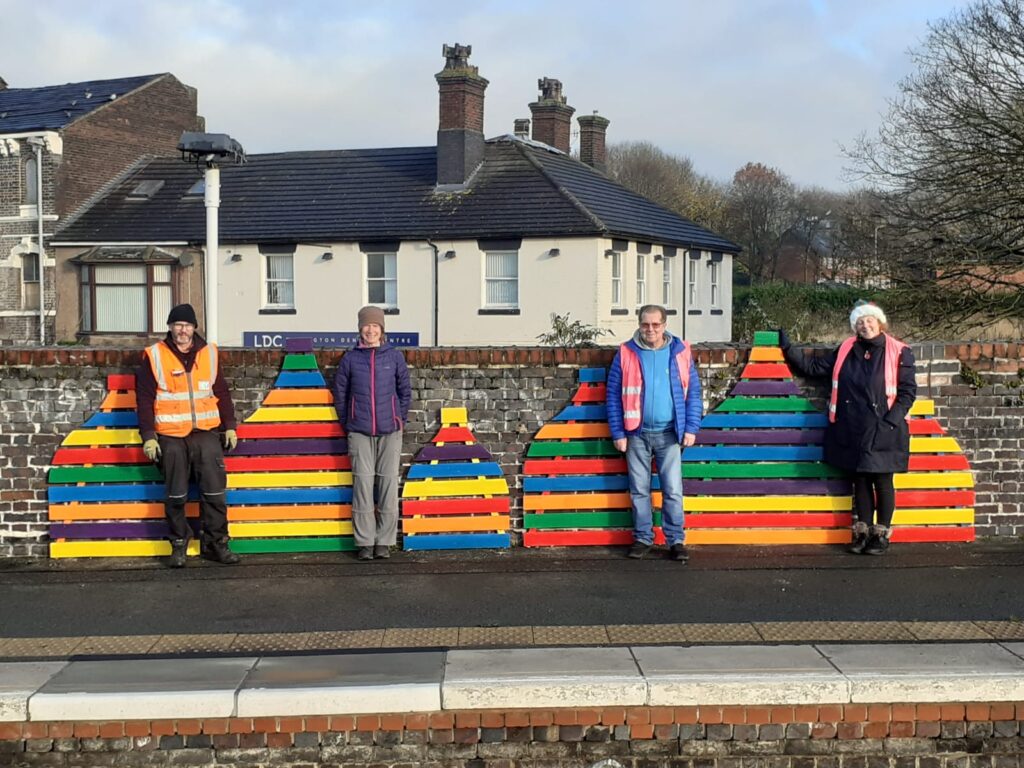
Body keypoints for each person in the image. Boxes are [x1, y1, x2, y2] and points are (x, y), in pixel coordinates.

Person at [780, 300, 917, 555]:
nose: (865, 325)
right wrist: (788, 347)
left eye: (869, 320)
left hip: (884, 427)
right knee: (860, 479)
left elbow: (908, 392)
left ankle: (881, 535)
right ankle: (862, 533)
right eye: (860, 322)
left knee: (883, 480)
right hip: (852, 426)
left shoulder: (900, 351)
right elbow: (814, 368)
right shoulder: (846, 349)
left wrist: (890, 421)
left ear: (879, 322)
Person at [135, 303, 240, 568]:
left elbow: (222, 393)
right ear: (170, 327)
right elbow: (145, 399)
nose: (183, 330)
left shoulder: (209, 354)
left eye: (187, 325)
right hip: (170, 436)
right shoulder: (155, 355)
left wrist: (229, 425)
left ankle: (217, 544)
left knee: (215, 492)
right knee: (176, 495)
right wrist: (148, 435)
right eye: (178, 325)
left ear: (194, 328)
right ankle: (179, 545)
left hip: (205, 433)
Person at [606, 304, 703, 562]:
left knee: (673, 490)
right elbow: (614, 395)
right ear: (639, 324)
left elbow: (693, 392)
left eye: (655, 325)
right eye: (645, 324)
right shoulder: (626, 352)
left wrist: (691, 427)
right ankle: (642, 538)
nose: (650, 329)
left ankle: (676, 540)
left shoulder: (680, 351)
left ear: (664, 325)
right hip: (635, 433)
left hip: (670, 433)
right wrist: (618, 432)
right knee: (639, 490)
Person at [333, 305, 411, 561]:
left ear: (382, 329)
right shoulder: (350, 359)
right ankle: (365, 542)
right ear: (360, 328)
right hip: (359, 432)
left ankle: (385, 542)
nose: (370, 330)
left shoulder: (394, 357)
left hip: (390, 431)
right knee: (363, 487)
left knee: (388, 485)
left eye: (375, 325)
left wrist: (398, 418)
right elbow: (341, 395)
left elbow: (404, 393)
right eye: (366, 325)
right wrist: (349, 423)